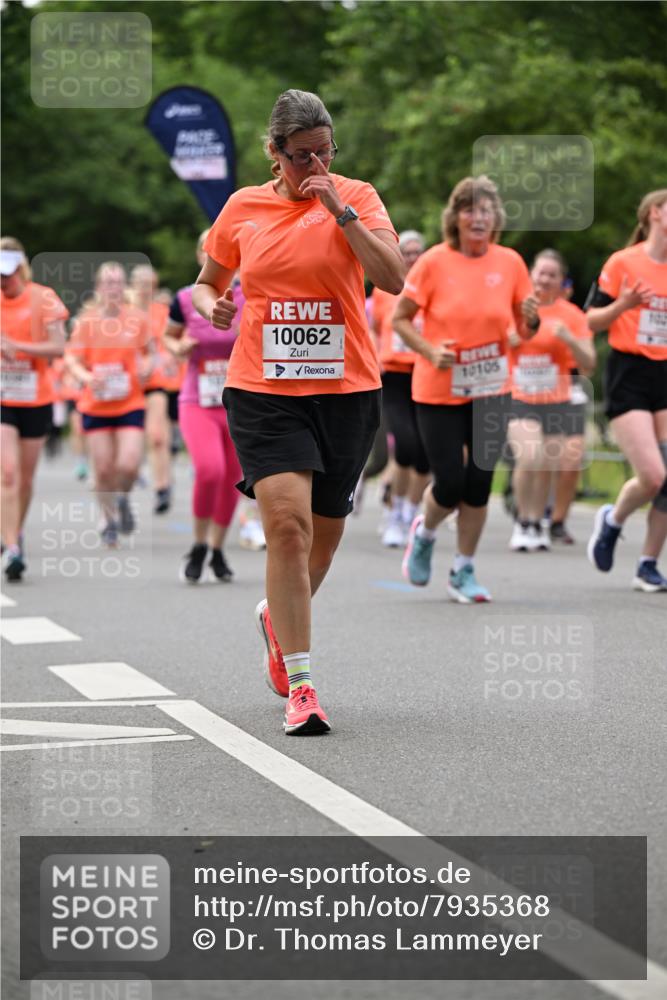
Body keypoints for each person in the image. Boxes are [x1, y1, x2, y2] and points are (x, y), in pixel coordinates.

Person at [192, 89, 403, 734]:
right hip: (263, 388)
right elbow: (208, 282)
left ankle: (275, 618)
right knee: (287, 527)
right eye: (302, 155)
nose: (316, 164)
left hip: (345, 391)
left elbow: (392, 278)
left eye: (325, 151)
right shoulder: (242, 208)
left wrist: (339, 212)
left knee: (324, 538)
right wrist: (211, 307)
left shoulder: (357, 195)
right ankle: (303, 687)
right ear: (275, 153)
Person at [393, 175, 536, 602]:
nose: (479, 217)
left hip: (492, 385)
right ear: (455, 217)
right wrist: (430, 350)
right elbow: (400, 318)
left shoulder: (510, 262)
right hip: (439, 386)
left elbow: (525, 330)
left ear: (496, 220)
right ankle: (426, 531)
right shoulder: (434, 262)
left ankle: (463, 569)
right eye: (471, 209)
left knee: (479, 482)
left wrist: (532, 318)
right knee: (451, 481)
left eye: (487, 210)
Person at [586, 188, 667, 592]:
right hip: (630, 373)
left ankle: (648, 564)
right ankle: (613, 520)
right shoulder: (623, 262)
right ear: (655, 212)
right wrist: (624, 305)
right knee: (653, 476)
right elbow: (590, 322)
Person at [163, 230, 243, 584]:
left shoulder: (253, 295)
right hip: (198, 399)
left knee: (233, 478)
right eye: (209, 252)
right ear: (201, 258)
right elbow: (169, 335)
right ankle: (198, 544)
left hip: (241, 399)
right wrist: (178, 348)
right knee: (210, 471)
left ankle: (217, 548)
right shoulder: (184, 298)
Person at [508, 249, 595, 552]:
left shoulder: (572, 316)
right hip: (519, 396)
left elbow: (590, 363)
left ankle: (536, 522)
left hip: (556, 398)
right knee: (529, 456)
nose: (545, 279)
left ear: (562, 282)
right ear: (531, 275)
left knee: (547, 463)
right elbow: (487, 343)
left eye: (552, 275)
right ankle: (521, 520)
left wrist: (569, 340)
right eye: (540, 272)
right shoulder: (516, 307)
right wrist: (507, 341)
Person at [65, 262, 154, 546]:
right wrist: (87, 376)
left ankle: (123, 497)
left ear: (123, 287)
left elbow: (151, 353)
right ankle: (108, 518)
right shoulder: (86, 323)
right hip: (96, 405)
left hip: (130, 402)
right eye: (108, 283)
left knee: (128, 465)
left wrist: (146, 368)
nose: (113, 288)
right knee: (103, 469)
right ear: (98, 288)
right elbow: (72, 360)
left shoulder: (137, 319)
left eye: (118, 283)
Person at [1, 237, 68, 582]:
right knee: (8, 473)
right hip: (3, 400)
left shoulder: (44, 298)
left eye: (9, 274)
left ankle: (15, 530)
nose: (4, 282)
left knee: (25, 478)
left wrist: (17, 346)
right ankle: (12, 547)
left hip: (36, 397)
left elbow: (58, 347)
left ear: (21, 268)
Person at [371, 230, 431, 547]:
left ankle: (410, 507)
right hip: (393, 373)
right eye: (406, 252)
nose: (412, 257)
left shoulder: (433, 287)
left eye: (417, 252)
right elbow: (371, 327)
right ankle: (395, 512)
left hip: (426, 372)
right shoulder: (385, 288)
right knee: (405, 443)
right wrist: (372, 353)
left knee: (425, 452)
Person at [129, 264, 181, 514]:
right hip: (127, 385)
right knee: (131, 441)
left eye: (148, 282)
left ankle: (162, 487)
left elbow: (173, 339)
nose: (144, 287)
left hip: (156, 382)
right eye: (139, 282)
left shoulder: (162, 311)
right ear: (132, 284)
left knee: (158, 436)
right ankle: (122, 490)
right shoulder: (123, 313)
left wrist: (172, 356)